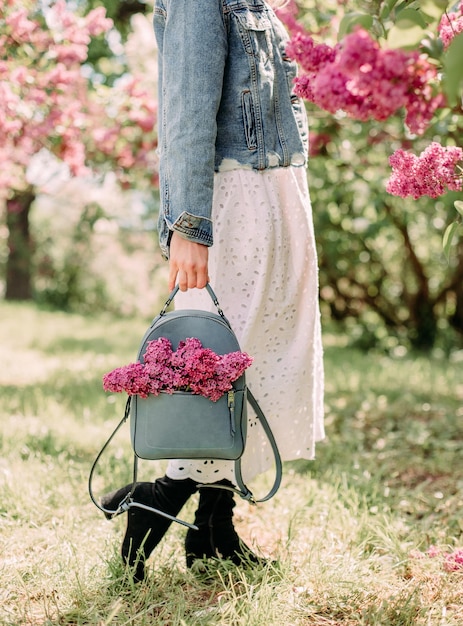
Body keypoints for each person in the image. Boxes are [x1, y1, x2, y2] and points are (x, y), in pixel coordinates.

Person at [101, 0, 324, 582]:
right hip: (234, 201)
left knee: (255, 367)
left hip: (277, 192)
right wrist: (188, 226)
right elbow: (186, 115)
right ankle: (156, 502)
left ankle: (215, 533)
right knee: (218, 370)